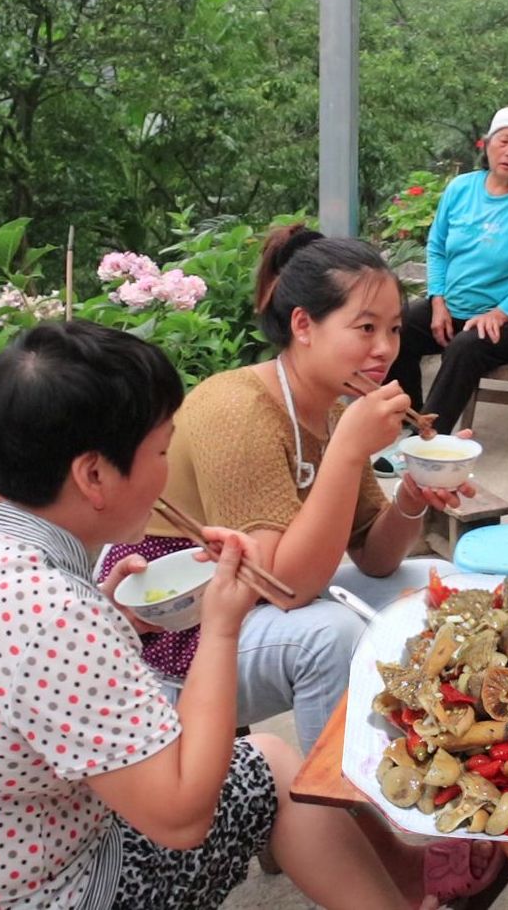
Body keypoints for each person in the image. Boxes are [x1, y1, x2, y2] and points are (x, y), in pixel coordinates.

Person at [0, 321, 460, 909]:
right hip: (45, 891)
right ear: (93, 474)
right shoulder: (45, 611)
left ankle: (399, 882)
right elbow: (182, 817)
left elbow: (12, 672)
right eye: (161, 450)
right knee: (269, 767)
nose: (168, 470)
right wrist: (219, 626)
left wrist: (111, 616)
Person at [100, 227, 474, 756]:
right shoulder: (238, 409)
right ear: (303, 324)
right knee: (332, 634)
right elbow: (282, 587)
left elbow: (375, 557)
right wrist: (347, 452)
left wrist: (413, 494)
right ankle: (342, 811)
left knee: (441, 585)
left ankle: (444, 749)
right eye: (365, 328)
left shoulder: (334, 408)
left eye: (393, 329)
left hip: (250, 604)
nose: (386, 348)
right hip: (176, 633)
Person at [384, 105, 508, 432]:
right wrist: (437, 300)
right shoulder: (460, 188)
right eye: (504, 140)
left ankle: (428, 440)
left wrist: (499, 314)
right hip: (454, 308)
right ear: (487, 144)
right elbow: (437, 247)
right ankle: (409, 418)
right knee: (400, 326)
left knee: (465, 347)